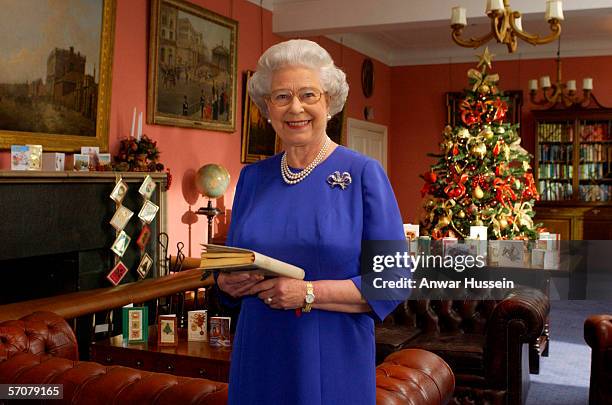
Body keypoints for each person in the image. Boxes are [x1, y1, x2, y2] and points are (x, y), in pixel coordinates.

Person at [216, 39, 405, 405]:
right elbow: (231, 264)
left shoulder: (363, 173)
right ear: (267, 108)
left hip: (332, 359)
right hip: (258, 356)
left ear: (329, 103)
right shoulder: (252, 179)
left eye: (308, 95)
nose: (295, 108)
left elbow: (392, 281)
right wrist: (227, 282)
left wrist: (308, 293)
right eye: (282, 97)